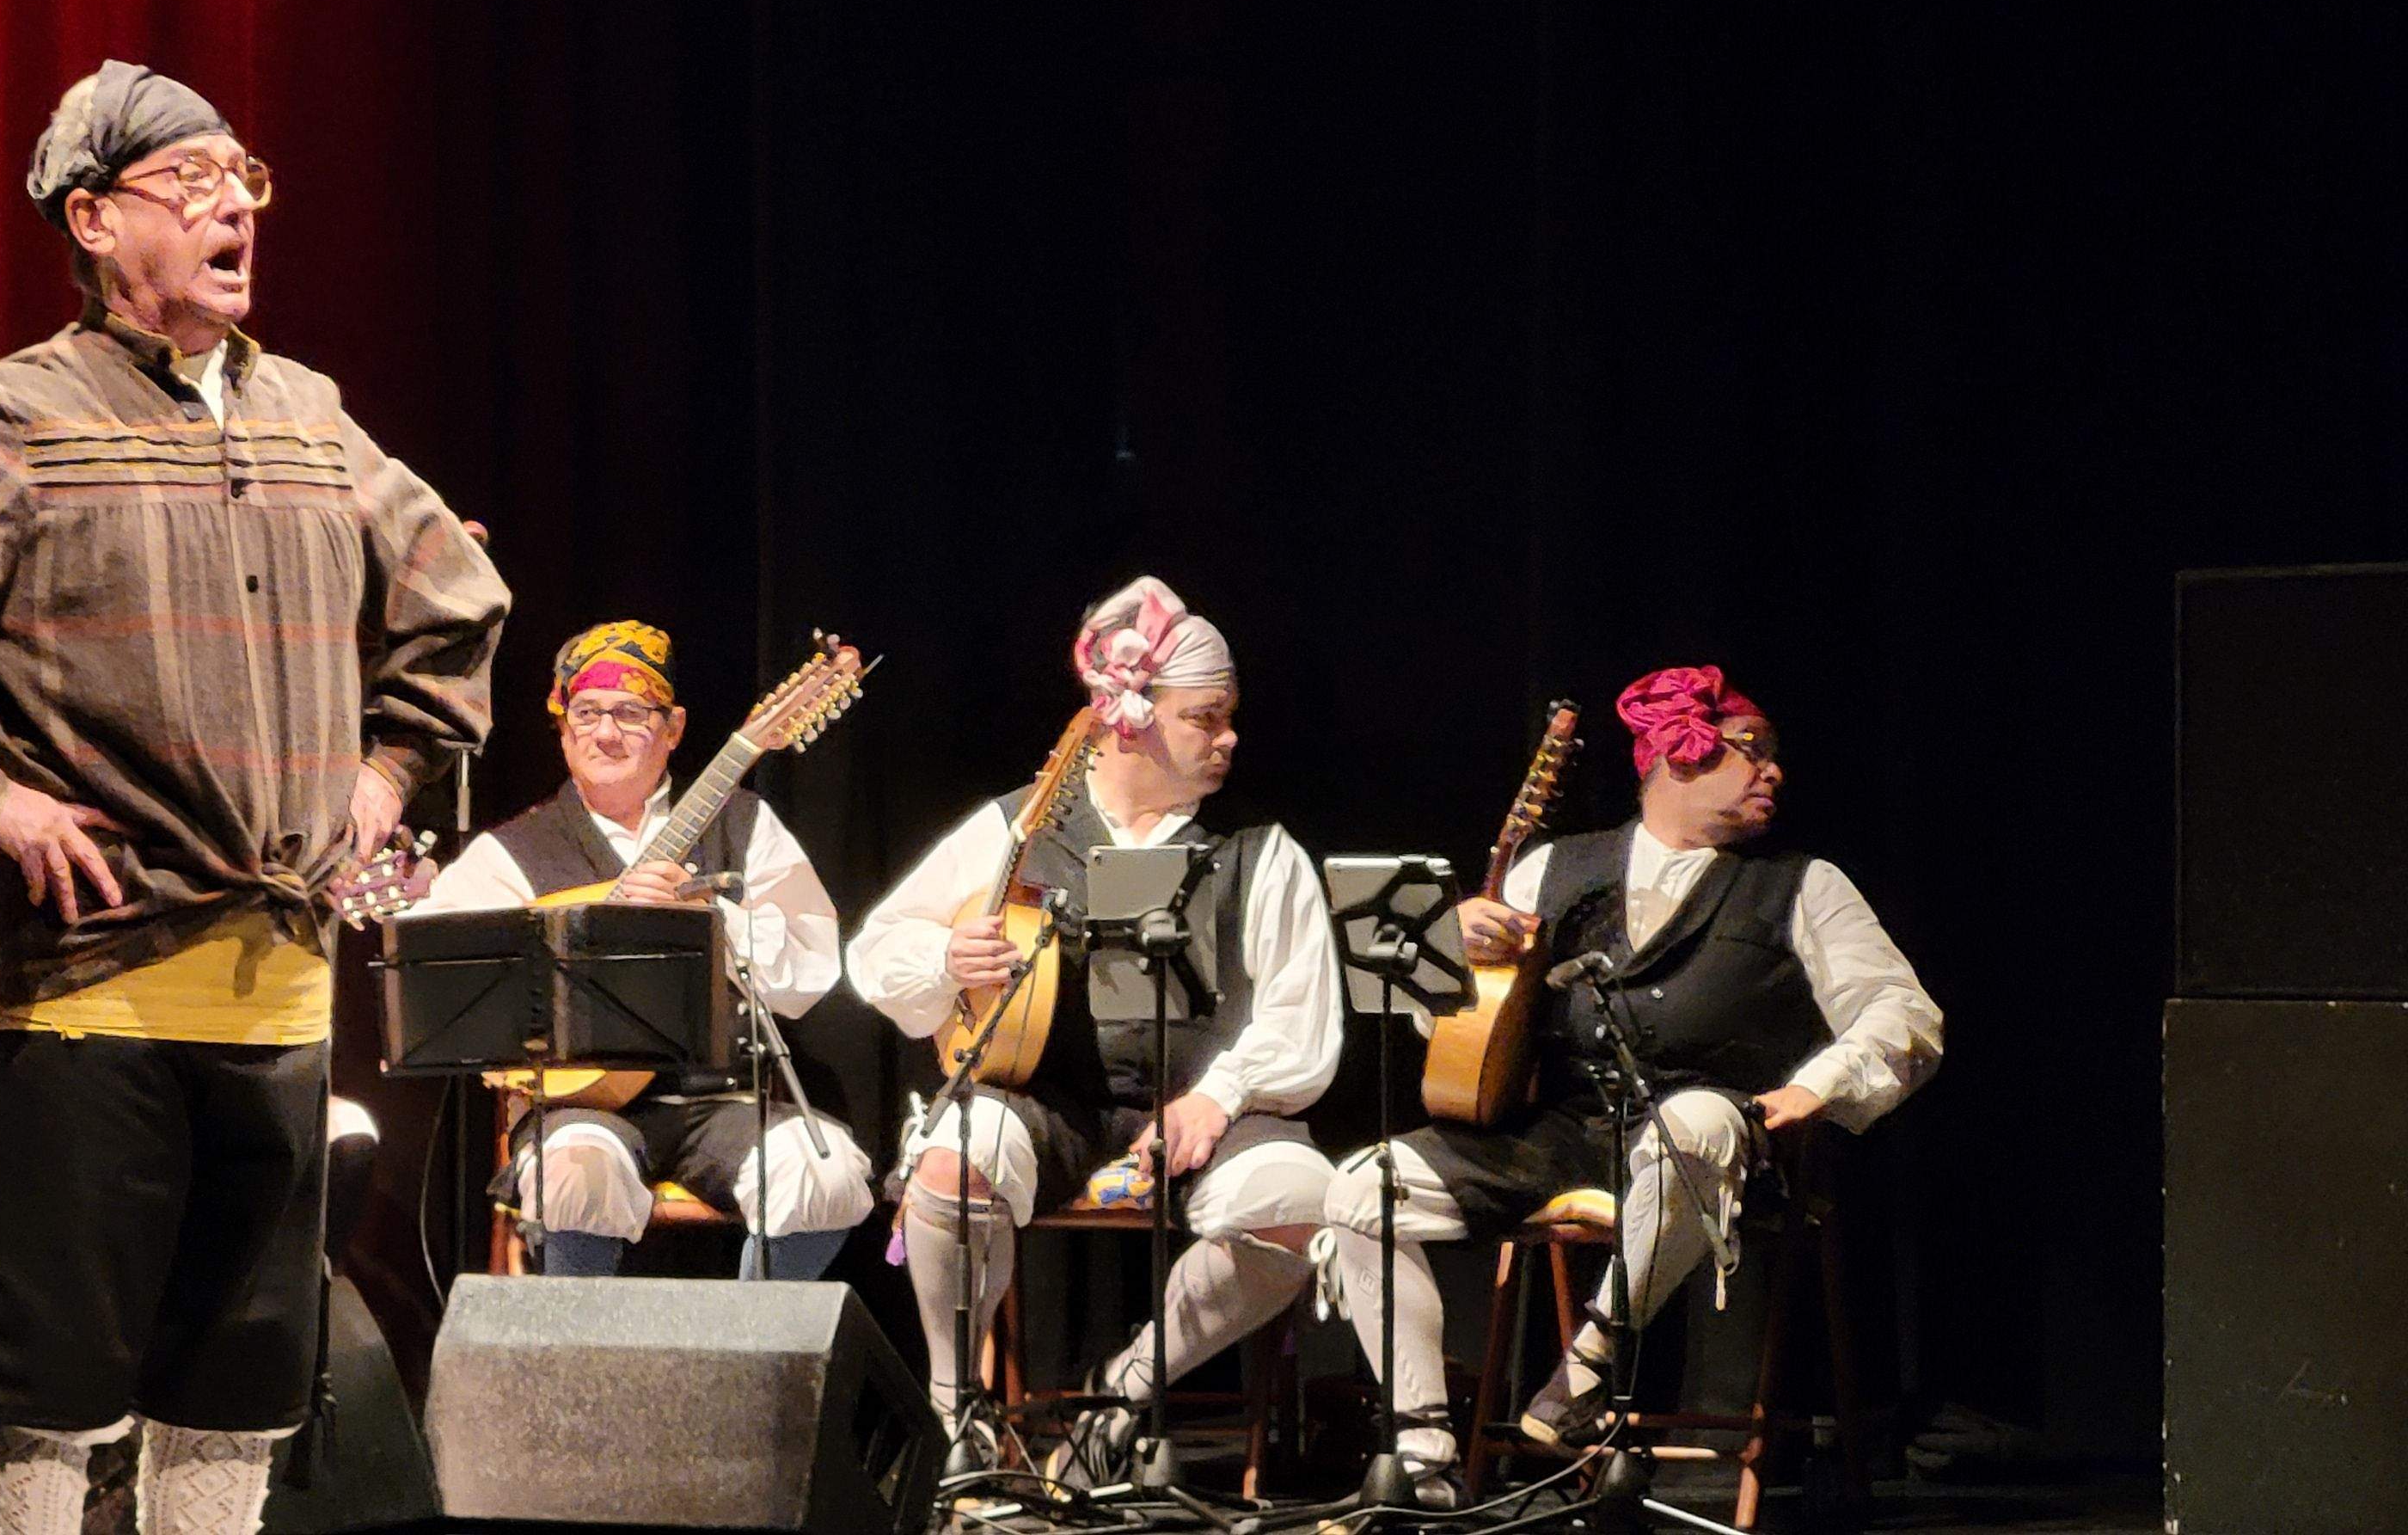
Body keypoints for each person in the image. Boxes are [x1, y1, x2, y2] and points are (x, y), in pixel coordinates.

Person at [0, 56, 507, 1535]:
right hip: (91, 997)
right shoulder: (14, 414)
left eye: (249, 181)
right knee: (50, 1389)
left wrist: (390, 764)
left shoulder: (308, 413)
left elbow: (457, 592)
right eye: (194, 183)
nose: (236, 206)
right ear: (97, 220)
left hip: (282, 998)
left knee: (235, 1390)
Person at [1318, 666, 1945, 1501]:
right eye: (1749, 751)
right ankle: (1422, 1451)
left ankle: (1585, 1372)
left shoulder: (1802, 885)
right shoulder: (1553, 868)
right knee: (1360, 1191)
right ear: (1672, 758)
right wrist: (1448, 950)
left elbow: (1904, 1012)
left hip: (1719, 1140)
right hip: (1560, 1135)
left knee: (1693, 1121)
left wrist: (1818, 1085)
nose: (1773, 772)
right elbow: (1456, 1035)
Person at [846, 579, 1346, 1479]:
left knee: (1304, 1204)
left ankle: (1121, 1395)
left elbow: (1300, 1015)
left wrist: (1218, 1097)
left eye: (1228, 716)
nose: (1227, 736)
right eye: (1205, 717)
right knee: (952, 1160)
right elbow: (877, 948)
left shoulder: (1259, 849)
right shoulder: (1021, 824)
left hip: (1212, 1114)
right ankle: (956, 1413)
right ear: (1129, 718)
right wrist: (946, 960)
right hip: (1054, 1105)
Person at [411, 621, 866, 1280]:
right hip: (576, 1106)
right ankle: (582, 1375)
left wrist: (714, 919)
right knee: (577, 1171)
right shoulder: (511, 854)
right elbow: (440, 978)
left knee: (825, 1172)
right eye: (586, 713)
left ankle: (753, 1366)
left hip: (724, 1098)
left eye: (630, 713)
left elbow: (813, 969)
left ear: (674, 728)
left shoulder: (744, 823)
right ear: (563, 728)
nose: (605, 733)